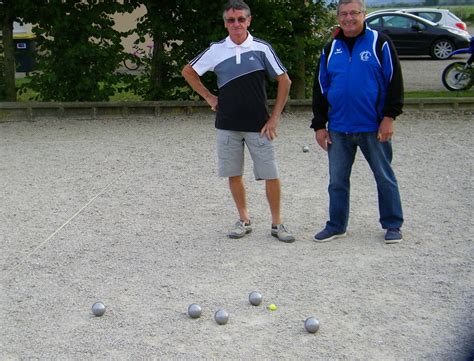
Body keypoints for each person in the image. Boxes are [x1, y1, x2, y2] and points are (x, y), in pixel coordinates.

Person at [181, 0, 295, 243]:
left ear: (249, 20)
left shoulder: (262, 48)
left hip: (259, 125)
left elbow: (285, 81)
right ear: (225, 23)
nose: (236, 24)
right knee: (234, 174)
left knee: (271, 175)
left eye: (241, 19)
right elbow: (188, 71)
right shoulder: (216, 50)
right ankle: (244, 219)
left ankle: (277, 223)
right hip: (227, 124)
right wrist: (210, 97)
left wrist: (274, 118)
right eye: (231, 20)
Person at [311, 0, 404, 244]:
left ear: (364, 14)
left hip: (372, 127)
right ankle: (336, 225)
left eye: (354, 13)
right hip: (339, 128)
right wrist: (320, 125)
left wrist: (389, 118)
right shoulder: (331, 48)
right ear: (338, 17)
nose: (349, 18)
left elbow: (394, 82)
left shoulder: (380, 42)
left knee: (384, 177)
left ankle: (392, 224)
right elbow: (320, 88)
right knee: (337, 181)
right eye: (344, 13)